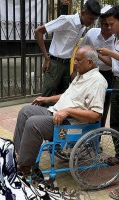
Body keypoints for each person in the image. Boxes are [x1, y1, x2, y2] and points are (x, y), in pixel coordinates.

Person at [13, 45, 107, 175]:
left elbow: (96, 115)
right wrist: (46, 99)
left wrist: (68, 111)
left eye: (78, 60)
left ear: (90, 62)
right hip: (57, 112)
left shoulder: (97, 82)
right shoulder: (81, 75)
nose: (74, 62)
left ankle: (26, 167)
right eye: (75, 59)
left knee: (33, 123)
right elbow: (67, 95)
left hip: (72, 122)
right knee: (25, 111)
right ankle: (20, 156)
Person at [34, 0, 101, 100]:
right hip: (55, 64)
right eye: (91, 19)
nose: (92, 23)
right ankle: (38, 114)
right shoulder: (66, 20)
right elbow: (38, 31)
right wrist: (46, 58)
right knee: (47, 95)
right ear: (83, 13)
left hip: (67, 64)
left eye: (94, 20)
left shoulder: (82, 27)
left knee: (64, 96)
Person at [95, 6, 119, 199]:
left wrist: (109, 53)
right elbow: (114, 65)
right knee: (116, 122)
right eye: (106, 24)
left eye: (111, 24)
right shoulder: (117, 39)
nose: (108, 28)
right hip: (117, 80)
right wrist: (100, 56)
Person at [79, 5, 114, 127]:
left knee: (102, 106)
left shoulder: (116, 38)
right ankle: (87, 133)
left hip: (108, 75)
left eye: (109, 24)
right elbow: (81, 50)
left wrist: (97, 54)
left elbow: (112, 63)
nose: (107, 27)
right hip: (90, 73)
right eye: (103, 24)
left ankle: (97, 136)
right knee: (87, 103)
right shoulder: (92, 33)